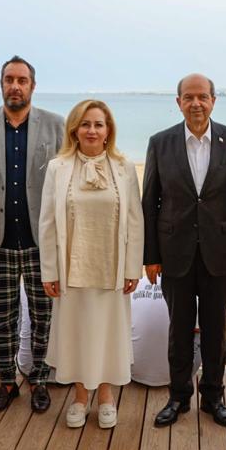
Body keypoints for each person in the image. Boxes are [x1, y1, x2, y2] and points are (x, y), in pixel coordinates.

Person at [142, 73, 226, 428]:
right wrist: (150, 256)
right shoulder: (160, 143)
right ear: (178, 102)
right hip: (174, 252)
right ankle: (178, 397)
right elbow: (150, 203)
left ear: (213, 101)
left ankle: (214, 396)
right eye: (188, 97)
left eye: (202, 97)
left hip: (220, 252)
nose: (196, 103)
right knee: (179, 329)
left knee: (215, 328)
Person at [0, 56, 64, 414]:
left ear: (32, 86)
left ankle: (38, 379)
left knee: (43, 317)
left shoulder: (55, 125)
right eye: (9, 79)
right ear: (1, 83)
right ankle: (6, 381)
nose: (15, 86)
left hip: (42, 243)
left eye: (22, 80)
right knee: (4, 317)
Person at [38, 99, 143, 429]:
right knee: (77, 333)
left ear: (108, 130)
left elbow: (135, 220)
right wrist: (49, 271)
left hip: (111, 268)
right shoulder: (58, 168)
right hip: (71, 270)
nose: (92, 130)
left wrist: (133, 268)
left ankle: (107, 397)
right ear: (74, 130)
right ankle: (81, 398)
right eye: (85, 124)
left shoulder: (124, 168)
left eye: (98, 124)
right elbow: (47, 223)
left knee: (108, 333)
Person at [130, 276, 226, 387]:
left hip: (132, 371)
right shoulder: (184, 287)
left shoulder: (137, 284)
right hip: (176, 375)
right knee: (212, 334)